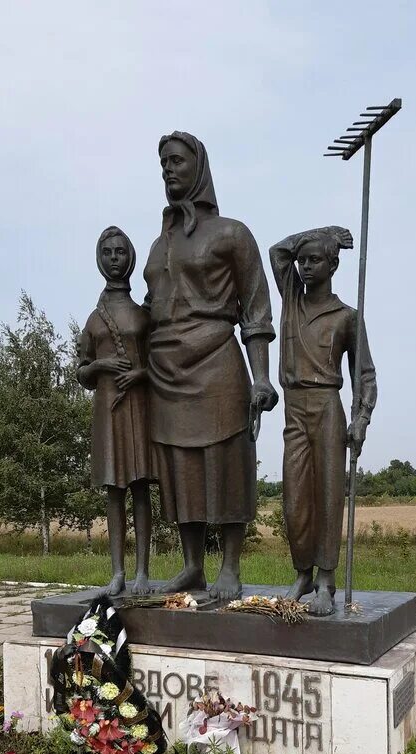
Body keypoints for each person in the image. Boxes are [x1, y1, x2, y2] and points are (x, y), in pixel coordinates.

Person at [143, 131, 278, 599]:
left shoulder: (232, 234)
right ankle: (192, 566)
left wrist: (261, 376)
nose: (168, 169)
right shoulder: (158, 246)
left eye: (177, 161)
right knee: (181, 469)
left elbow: (256, 309)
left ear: (198, 166)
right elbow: (148, 308)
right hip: (165, 371)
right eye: (163, 163)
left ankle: (231, 567)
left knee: (226, 463)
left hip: (216, 361)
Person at [269, 225, 377, 616]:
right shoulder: (291, 300)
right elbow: (277, 251)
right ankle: (303, 573)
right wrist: (323, 232)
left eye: (315, 259)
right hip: (294, 407)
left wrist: (361, 417)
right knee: (295, 498)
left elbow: (364, 373)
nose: (305, 266)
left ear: (333, 264)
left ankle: (326, 581)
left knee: (329, 495)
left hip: (328, 406)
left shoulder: (347, 317)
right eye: (303, 260)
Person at [77, 226, 154, 595]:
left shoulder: (144, 315)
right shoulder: (94, 320)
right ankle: (117, 573)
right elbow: (82, 370)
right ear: (98, 259)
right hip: (108, 411)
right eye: (107, 253)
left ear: (130, 258)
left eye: (120, 252)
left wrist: (140, 373)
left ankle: (142, 571)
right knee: (114, 490)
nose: (113, 259)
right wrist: (102, 366)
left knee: (140, 487)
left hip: (138, 407)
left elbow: (160, 364)